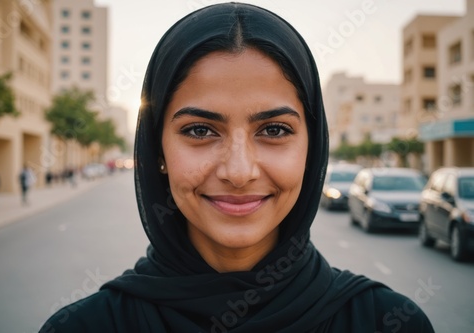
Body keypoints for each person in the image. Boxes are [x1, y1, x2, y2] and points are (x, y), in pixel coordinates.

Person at [40, 3, 434, 332]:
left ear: (312, 148)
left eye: (275, 129)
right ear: (157, 149)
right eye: (199, 130)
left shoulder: (387, 322)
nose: (239, 171)